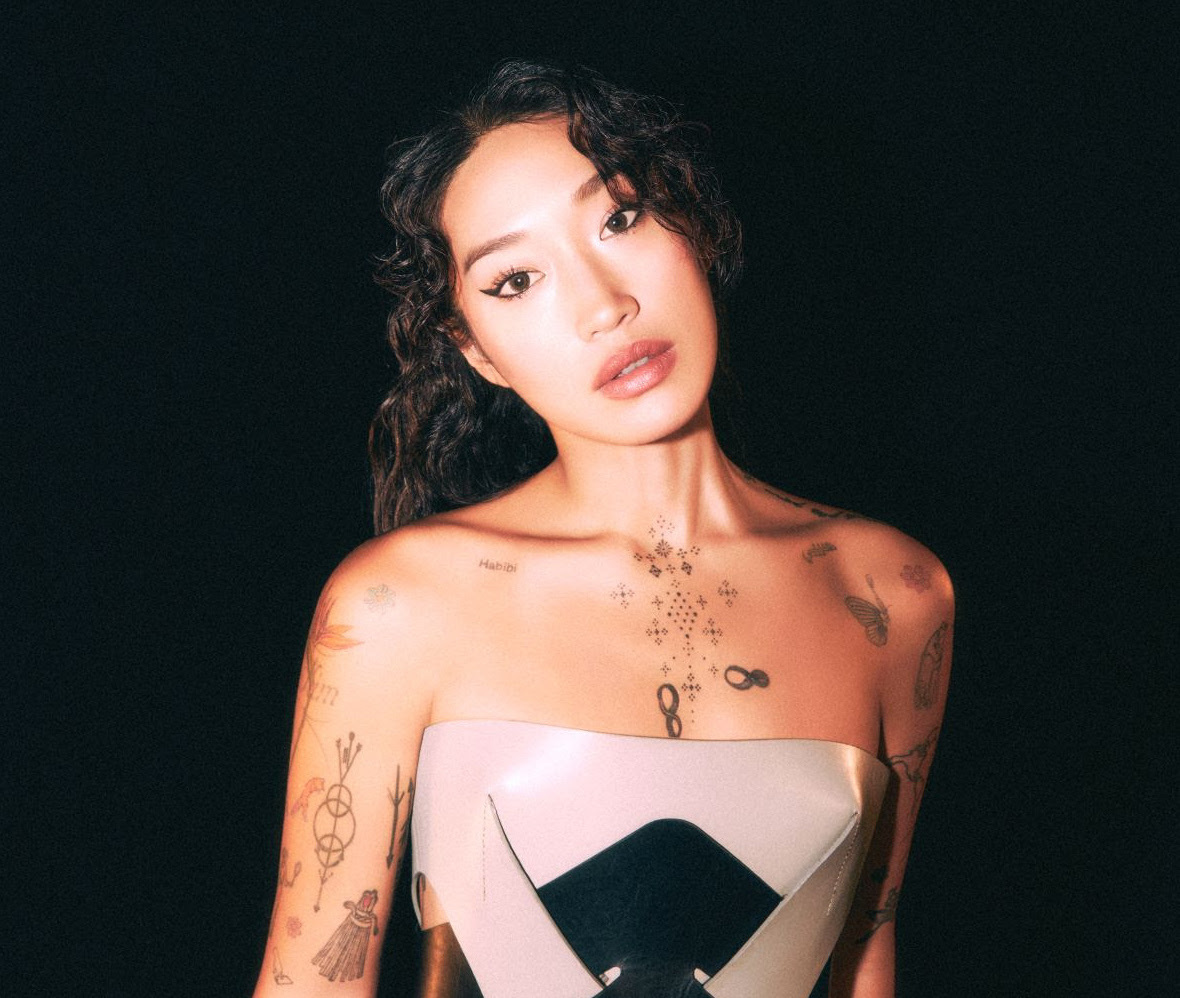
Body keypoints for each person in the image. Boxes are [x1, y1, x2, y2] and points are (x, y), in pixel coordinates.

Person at [253, 60, 953, 998]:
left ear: (692, 226)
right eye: (515, 280)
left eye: (620, 219)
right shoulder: (399, 606)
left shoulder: (894, 594)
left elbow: (868, 958)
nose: (602, 305)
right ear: (476, 352)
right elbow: (309, 982)